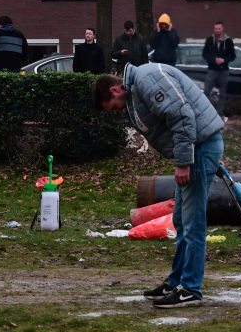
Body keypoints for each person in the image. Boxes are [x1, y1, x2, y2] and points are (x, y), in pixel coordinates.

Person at [92, 63, 224, 308]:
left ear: (115, 90)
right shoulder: (136, 92)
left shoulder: (146, 79)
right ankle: (177, 283)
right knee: (182, 220)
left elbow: (181, 113)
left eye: (112, 107)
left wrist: (184, 162)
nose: (116, 112)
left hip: (199, 149)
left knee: (193, 221)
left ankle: (191, 289)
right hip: (199, 147)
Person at [201, 21, 236, 120]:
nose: (217, 31)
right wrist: (213, 60)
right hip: (212, 69)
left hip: (224, 70)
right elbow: (204, 54)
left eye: (219, 29)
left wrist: (224, 60)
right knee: (206, 91)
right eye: (215, 29)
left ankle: (219, 112)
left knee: (222, 93)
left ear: (222, 29)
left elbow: (233, 55)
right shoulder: (210, 40)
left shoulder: (228, 41)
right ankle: (205, 111)